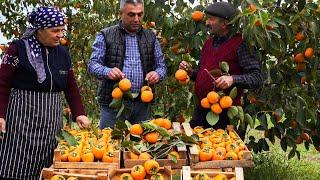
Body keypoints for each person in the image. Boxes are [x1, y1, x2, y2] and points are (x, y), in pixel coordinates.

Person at [0, 7, 90, 179]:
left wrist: (79, 113)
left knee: (48, 165)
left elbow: (71, 87)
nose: (60, 35)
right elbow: (2, 83)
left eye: (62, 30)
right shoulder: (17, 49)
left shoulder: (62, 54)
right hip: (21, 119)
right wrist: (0, 115)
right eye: (55, 30)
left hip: (51, 119)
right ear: (39, 30)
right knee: (16, 164)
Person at [179, 2, 262, 129]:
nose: (206, 23)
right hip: (202, 108)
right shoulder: (208, 43)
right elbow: (204, 74)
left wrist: (233, 79)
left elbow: (256, 78)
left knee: (221, 147)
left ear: (224, 24)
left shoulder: (241, 44)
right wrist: (192, 73)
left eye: (211, 19)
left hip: (224, 112)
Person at [88, 0, 166, 128]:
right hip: (113, 104)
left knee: (141, 145)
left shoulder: (150, 37)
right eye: (131, 14)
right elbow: (93, 64)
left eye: (140, 14)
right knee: (110, 143)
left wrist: (157, 74)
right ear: (120, 13)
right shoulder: (106, 35)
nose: (136, 19)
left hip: (142, 104)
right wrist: (107, 71)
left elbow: (161, 66)